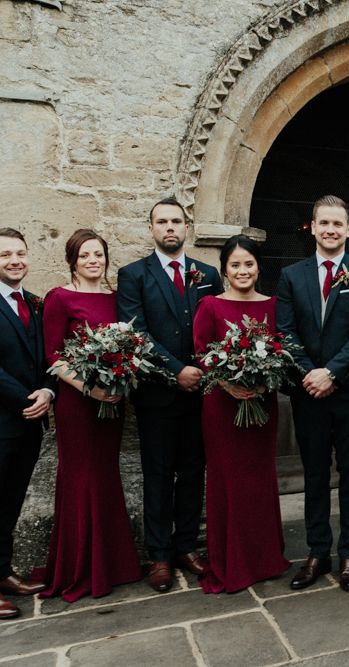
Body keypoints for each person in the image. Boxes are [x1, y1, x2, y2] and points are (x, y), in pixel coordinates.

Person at [117, 198, 223, 592]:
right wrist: (176, 370)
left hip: (201, 394)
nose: (170, 228)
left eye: (176, 221)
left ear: (187, 226)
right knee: (158, 474)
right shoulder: (133, 275)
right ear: (151, 229)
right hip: (158, 396)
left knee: (194, 472)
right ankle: (159, 555)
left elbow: (216, 326)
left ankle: (185, 546)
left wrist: (203, 371)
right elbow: (136, 333)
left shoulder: (207, 272)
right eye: (162, 222)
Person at [276, 195, 349, 592]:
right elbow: (286, 331)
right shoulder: (291, 276)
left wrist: (332, 372)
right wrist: (310, 374)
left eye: (338, 224)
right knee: (315, 475)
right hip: (308, 394)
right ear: (313, 227)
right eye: (324, 223)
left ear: (348, 230)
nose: (331, 230)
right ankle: (318, 552)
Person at [40, 229, 141, 601]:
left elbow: (130, 347)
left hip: (111, 405)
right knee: (80, 479)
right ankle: (80, 567)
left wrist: (118, 381)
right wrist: (89, 388)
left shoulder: (118, 300)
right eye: (85, 256)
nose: (93, 261)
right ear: (73, 261)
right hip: (78, 405)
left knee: (106, 476)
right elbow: (52, 356)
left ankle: (114, 565)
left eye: (98, 254)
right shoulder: (59, 299)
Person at [193, 235, 290, 592]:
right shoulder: (210, 306)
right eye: (235, 265)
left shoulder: (273, 305)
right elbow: (203, 354)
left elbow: (281, 352)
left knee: (259, 479)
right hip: (222, 407)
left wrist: (264, 384)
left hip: (261, 404)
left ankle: (264, 559)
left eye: (248, 263)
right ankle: (230, 560)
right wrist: (227, 383)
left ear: (258, 267)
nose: (242, 270)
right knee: (229, 481)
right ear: (224, 270)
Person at [0, 228, 53, 618]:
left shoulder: (33, 303)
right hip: (4, 419)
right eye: (5, 255)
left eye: (20, 253)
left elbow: (48, 358)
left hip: (31, 423)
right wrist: (26, 398)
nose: (15, 260)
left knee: (10, 502)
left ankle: (3, 572)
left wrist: (48, 392)